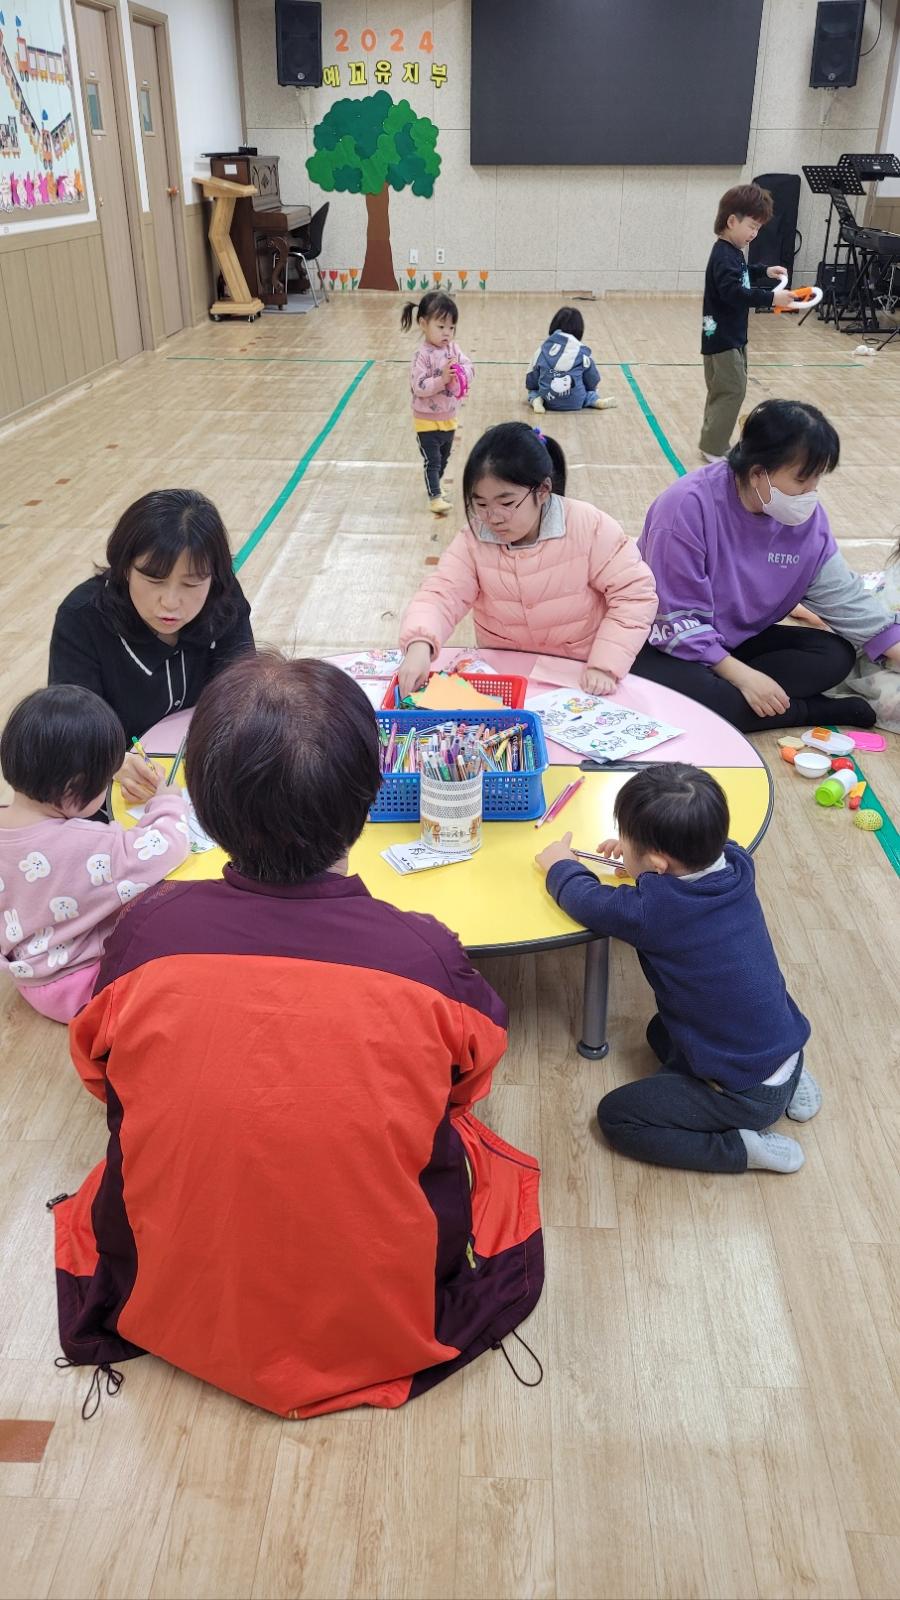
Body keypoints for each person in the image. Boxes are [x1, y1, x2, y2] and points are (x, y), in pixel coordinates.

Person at [52, 654, 543, 1418]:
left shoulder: (148, 929)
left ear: (204, 807)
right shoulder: (424, 954)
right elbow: (468, 1083)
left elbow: (99, 1072)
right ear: (370, 799)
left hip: (174, 1278)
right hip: (385, 1298)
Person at [535, 764, 818, 1176]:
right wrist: (639, 862)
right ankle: (789, 1080)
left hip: (744, 1093)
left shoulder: (654, 912)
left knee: (616, 1117)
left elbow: (586, 899)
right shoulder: (737, 863)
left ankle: (739, 1148)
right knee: (659, 1030)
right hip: (784, 1043)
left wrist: (560, 864)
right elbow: (689, 858)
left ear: (658, 862)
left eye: (628, 842)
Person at [632, 400, 900, 732]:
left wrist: (891, 642)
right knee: (700, 700)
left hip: (733, 641)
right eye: (802, 480)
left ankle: (736, 700)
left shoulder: (804, 520)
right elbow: (674, 617)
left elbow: (846, 599)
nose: (811, 492)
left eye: (817, 478)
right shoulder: (686, 507)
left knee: (835, 655)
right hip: (663, 642)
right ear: (758, 472)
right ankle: (806, 710)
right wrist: (742, 676)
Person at [397, 422, 657, 700]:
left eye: (507, 503)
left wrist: (605, 666)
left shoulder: (589, 527)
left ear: (543, 490)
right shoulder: (474, 539)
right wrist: (420, 642)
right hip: (506, 678)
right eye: (481, 504)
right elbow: (443, 592)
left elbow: (634, 595)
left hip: (580, 675)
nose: (493, 517)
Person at [48, 489, 254, 805]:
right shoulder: (83, 617)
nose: (170, 602)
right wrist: (112, 760)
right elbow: (70, 726)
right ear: (124, 568)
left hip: (202, 778)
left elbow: (243, 693)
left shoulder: (222, 600)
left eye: (191, 583)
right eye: (154, 580)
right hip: (112, 790)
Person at [0, 685, 189, 1023]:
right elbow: (169, 845)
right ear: (75, 789)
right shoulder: (88, 845)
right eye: (105, 783)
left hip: (29, 979)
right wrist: (167, 801)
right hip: (83, 987)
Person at [700, 183, 793, 461]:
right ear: (732, 221)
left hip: (731, 335)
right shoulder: (723, 254)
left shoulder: (732, 252)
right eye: (752, 226)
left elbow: (742, 273)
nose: (754, 233)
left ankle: (713, 440)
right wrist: (771, 298)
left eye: (758, 228)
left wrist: (764, 271)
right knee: (731, 390)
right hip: (722, 337)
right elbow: (733, 292)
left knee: (726, 389)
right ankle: (713, 447)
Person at [401, 290, 474, 517]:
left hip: (449, 416)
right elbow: (419, 387)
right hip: (425, 419)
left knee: (443, 458)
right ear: (423, 324)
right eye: (441, 326)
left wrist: (462, 374)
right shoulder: (422, 356)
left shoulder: (454, 349)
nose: (446, 333)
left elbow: (470, 367)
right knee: (432, 460)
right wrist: (442, 379)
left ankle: (436, 486)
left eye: (451, 327)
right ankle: (434, 497)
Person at [525, 306, 617, 414]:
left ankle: (536, 400)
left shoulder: (542, 349)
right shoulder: (582, 351)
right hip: (576, 401)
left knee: (533, 392)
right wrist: (591, 389)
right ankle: (594, 400)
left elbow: (531, 377)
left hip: (547, 400)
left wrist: (533, 388)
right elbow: (593, 378)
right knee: (587, 394)